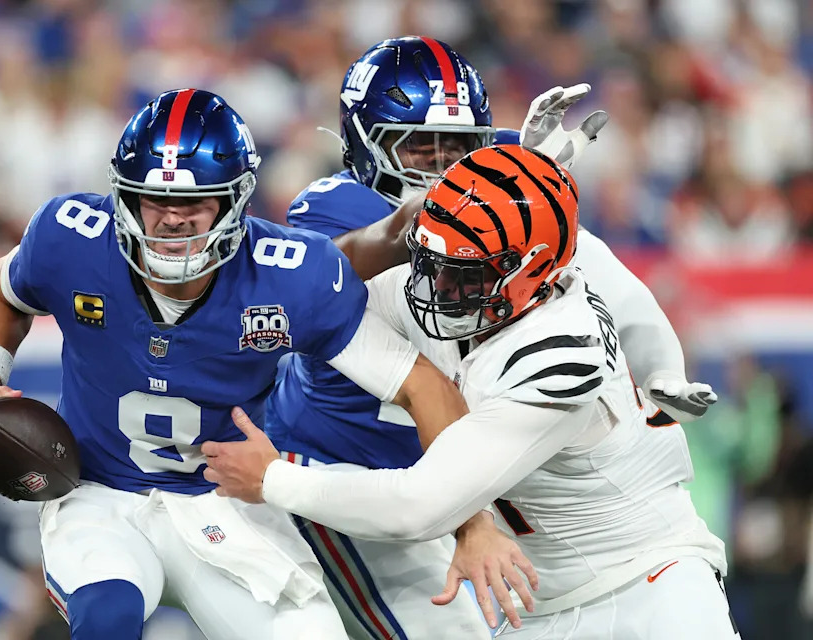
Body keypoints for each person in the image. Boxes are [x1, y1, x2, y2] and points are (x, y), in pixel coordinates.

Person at [0, 89, 480, 640]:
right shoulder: (71, 236)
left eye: (194, 202)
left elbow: (424, 386)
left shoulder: (292, 275)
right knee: (108, 617)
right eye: (154, 200)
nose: (173, 220)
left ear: (235, 201)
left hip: (226, 500)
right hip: (99, 492)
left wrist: (474, 523)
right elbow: (1, 291)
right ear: (125, 196)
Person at [266, 35, 714, 635]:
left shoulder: (546, 309)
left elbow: (611, 277)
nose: (444, 164)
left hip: (466, 484)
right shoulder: (336, 209)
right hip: (350, 463)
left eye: (459, 147)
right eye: (421, 147)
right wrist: (514, 181)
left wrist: (662, 365)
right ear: (364, 145)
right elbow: (373, 248)